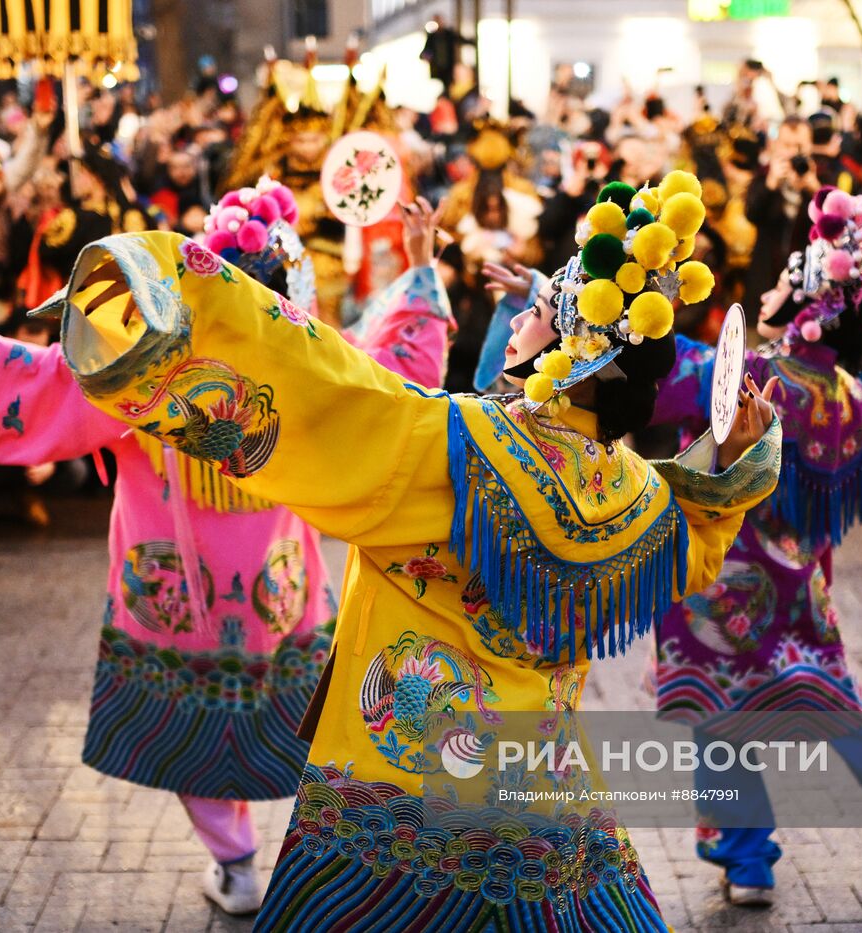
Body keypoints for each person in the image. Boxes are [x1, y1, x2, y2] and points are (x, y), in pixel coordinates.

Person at [45, 172, 781, 931]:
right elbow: (691, 546)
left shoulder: (450, 447)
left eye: (533, 313)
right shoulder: (635, 493)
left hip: (401, 793)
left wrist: (178, 283)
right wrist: (729, 462)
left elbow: (323, 383)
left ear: (577, 355)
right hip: (546, 797)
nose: (522, 319)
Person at [0, 184, 456, 918]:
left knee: (190, 735)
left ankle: (235, 865)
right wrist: (419, 272)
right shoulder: (310, 368)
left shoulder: (143, 366)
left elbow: (23, 387)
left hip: (173, 596)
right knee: (311, 728)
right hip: (278, 591)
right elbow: (399, 378)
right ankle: (314, 861)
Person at [648, 184, 862, 906]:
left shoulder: (743, 376)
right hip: (797, 591)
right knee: (848, 716)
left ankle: (745, 861)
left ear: (795, 307)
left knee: (720, 718)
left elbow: (650, 377)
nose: (769, 291)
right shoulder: (844, 396)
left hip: (715, 581)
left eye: (781, 284)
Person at [746, 117, 818, 304]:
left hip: (806, 280)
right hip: (766, 274)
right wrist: (770, 184)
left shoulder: (822, 176)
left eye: (799, 146)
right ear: (776, 145)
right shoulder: (763, 175)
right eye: (787, 145)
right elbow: (751, 214)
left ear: (810, 146)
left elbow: (834, 220)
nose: (793, 152)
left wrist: (814, 188)